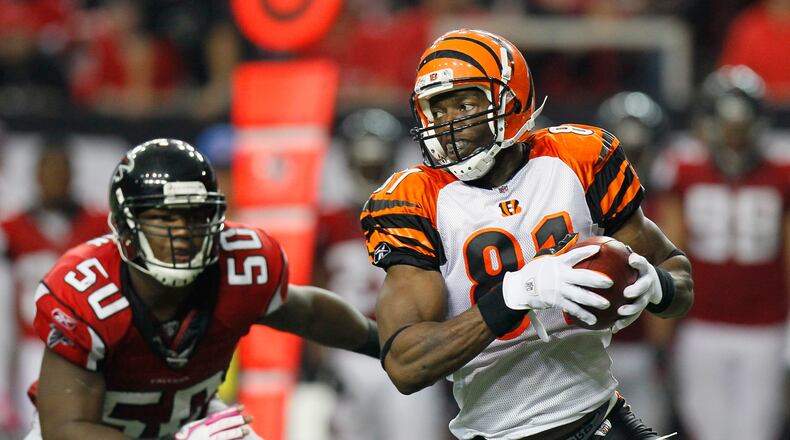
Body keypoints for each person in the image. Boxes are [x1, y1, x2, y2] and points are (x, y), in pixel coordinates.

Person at [361, 29, 694, 439]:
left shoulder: (579, 157)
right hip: (500, 432)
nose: (450, 126)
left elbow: (680, 278)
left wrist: (655, 286)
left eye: (465, 104)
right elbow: (405, 366)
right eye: (438, 110)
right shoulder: (415, 200)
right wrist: (511, 296)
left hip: (600, 417)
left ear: (510, 100)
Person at [24, 138, 380, 440]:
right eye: (164, 218)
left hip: (189, 423)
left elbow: (309, 312)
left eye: (195, 215)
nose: (182, 231)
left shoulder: (240, 265)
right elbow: (65, 428)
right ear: (125, 226)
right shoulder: (87, 289)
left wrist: (381, 342)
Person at [653, 65, 790, 440]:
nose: (734, 138)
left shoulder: (780, 173)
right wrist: (662, 336)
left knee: (755, 431)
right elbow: (669, 254)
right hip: (700, 325)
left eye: (742, 127)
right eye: (728, 126)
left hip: (766, 326)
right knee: (706, 428)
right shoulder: (685, 169)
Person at [312, 108, 450, 440]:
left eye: (376, 165)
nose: (369, 173)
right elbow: (313, 291)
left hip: (409, 342)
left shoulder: (420, 215)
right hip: (350, 349)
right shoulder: (328, 223)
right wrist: (321, 358)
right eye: (364, 165)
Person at [0, 139, 109, 435]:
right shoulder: (13, 228)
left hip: (88, 342)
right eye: (48, 173)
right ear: (36, 176)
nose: (55, 181)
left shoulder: (98, 223)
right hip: (32, 344)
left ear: (72, 176)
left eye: (61, 173)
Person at [595, 91, 675, 434]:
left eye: (638, 153)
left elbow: (677, 275)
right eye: (625, 155)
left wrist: (662, 346)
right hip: (587, 347)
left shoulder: (665, 204)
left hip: (643, 345)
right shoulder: (581, 199)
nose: (631, 165)